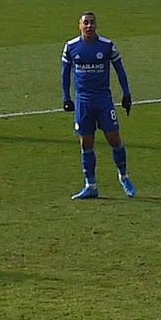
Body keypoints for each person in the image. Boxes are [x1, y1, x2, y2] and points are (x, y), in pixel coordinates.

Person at [61, 12, 134, 200]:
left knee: (113, 138)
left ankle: (124, 176)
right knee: (86, 143)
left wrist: (126, 93)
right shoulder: (71, 47)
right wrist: (66, 97)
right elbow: (65, 73)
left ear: (96, 25)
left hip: (103, 100)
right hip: (83, 101)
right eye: (86, 23)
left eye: (92, 23)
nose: (89, 26)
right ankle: (90, 185)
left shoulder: (107, 45)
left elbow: (120, 70)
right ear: (80, 25)